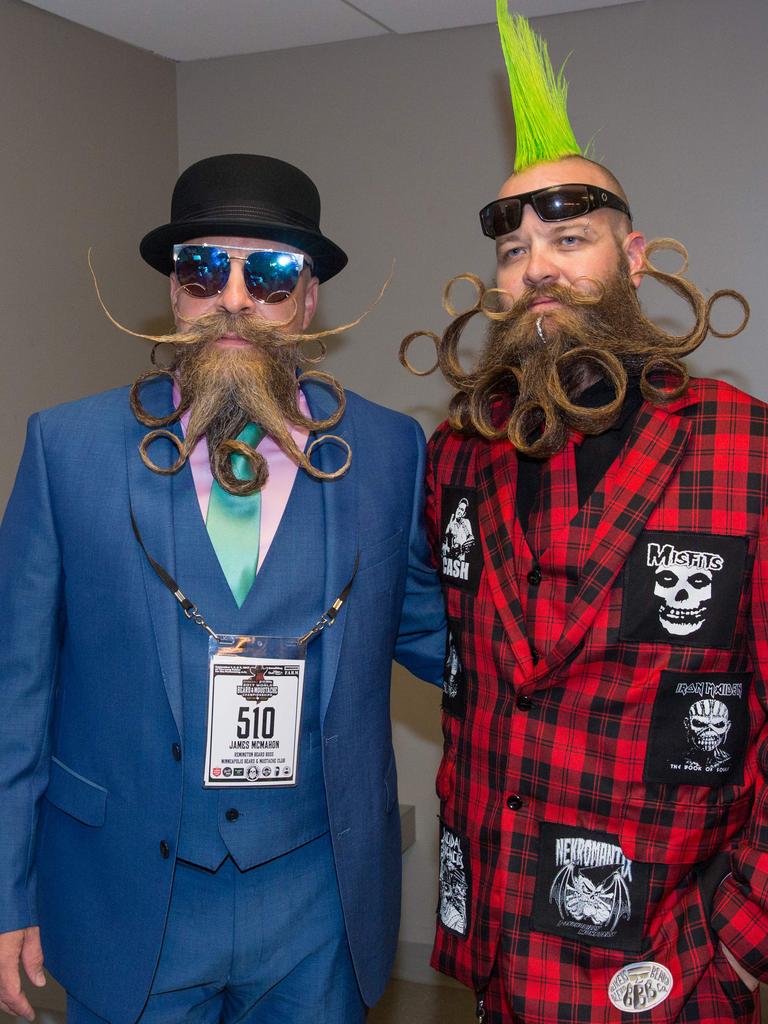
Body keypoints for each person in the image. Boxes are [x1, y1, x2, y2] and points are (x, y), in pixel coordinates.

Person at [0, 152, 445, 1024]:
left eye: (271, 271)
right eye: (205, 269)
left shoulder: (390, 454)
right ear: (175, 292)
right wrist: (5, 892)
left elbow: (438, 630)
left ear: (308, 299)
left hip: (318, 906)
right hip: (130, 897)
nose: (235, 297)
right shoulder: (67, 450)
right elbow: (16, 693)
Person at [405, 7, 766, 1022]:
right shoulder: (463, 453)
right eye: (517, 251)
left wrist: (729, 945)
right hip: (500, 957)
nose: (540, 268)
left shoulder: (749, 452)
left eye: (570, 237)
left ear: (636, 255)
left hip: (667, 967)